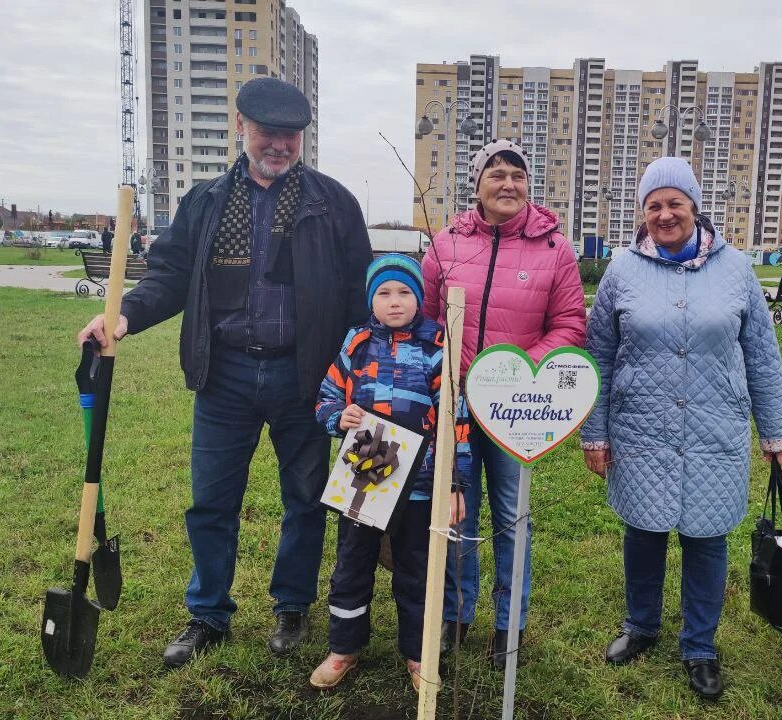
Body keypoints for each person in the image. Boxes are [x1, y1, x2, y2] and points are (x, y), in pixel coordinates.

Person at [76, 77, 373, 669]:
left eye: (289, 136)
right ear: (241, 127)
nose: (279, 146)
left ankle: (292, 605)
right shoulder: (206, 201)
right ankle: (208, 612)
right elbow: (169, 275)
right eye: (267, 133)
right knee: (211, 503)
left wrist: (358, 372)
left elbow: (359, 296)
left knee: (307, 500)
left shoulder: (332, 203)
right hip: (225, 375)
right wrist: (124, 317)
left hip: (306, 379)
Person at [580, 157, 782, 701]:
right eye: (653, 204)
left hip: (714, 426)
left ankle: (700, 645)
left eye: (675, 202)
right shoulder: (622, 270)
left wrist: (775, 430)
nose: (664, 213)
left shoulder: (736, 269)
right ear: (642, 213)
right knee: (644, 532)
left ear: (696, 208)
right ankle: (641, 626)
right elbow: (599, 355)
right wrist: (596, 432)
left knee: (707, 538)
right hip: (642, 427)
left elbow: (762, 355)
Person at [421, 139, 587, 668]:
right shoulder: (445, 244)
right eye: (496, 174)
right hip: (458, 410)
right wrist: (451, 372)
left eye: (518, 174)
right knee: (457, 513)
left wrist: (517, 376)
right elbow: (425, 323)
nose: (508, 184)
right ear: (477, 185)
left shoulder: (553, 249)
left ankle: (507, 625)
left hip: (517, 408)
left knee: (514, 517)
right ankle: (455, 614)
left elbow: (568, 326)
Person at [309, 254, 472, 691]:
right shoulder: (356, 342)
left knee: (416, 569)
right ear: (370, 299)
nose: (394, 302)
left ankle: (418, 654)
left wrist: (455, 483)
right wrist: (337, 417)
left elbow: (455, 419)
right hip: (366, 472)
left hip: (419, 484)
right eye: (384, 293)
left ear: (419, 298)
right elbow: (326, 397)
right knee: (352, 564)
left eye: (404, 292)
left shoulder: (438, 344)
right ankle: (344, 647)